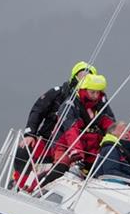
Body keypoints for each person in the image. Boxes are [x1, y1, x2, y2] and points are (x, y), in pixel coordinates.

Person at [13, 61, 97, 189]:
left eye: (88, 77)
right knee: (24, 151)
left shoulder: (92, 105)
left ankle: (35, 189)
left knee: (60, 169)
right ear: (74, 76)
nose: (84, 79)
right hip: (46, 140)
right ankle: (19, 185)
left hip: (66, 147)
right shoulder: (58, 93)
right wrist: (30, 134)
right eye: (82, 75)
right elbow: (38, 110)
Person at [39, 73, 115, 185]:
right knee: (61, 167)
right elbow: (71, 130)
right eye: (92, 92)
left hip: (89, 149)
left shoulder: (101, 106)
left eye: (97, 92)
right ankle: (37, 187)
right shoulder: (70, 105)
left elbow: (110, 125)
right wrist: (76, 152)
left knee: (97, 174)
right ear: (84, 90)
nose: (95, 95)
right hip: (65, 145)